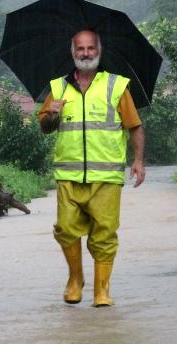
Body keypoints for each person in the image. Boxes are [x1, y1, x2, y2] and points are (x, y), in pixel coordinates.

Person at [37, 30, 145, 307]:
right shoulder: (57, 89)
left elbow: (134, 126)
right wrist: (52, 114)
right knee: (64, 229)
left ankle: (102, 290)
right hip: (69, 175)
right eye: (80, 48)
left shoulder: (117, 86)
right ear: (72, 52)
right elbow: (45, 128)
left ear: (100, 50)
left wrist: (138, 160)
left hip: (106, 176)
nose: (85, 53)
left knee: (104, 233)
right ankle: (76, 279)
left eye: (90, 48)